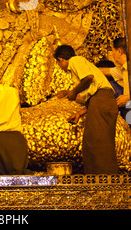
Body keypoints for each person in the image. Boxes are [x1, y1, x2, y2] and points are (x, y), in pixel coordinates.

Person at [54, 44, 119, 175]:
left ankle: (101, 181)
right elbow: (90, 94)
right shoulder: (78, 65)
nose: (59, 67)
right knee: (99, 141)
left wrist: (73, 91)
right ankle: (104, 179)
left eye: (58, 63)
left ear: (61, 59)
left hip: (102, 100)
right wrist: (79, 112)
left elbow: (89, 78)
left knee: (96, 143)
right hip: (101, 101)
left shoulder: (75, 60)